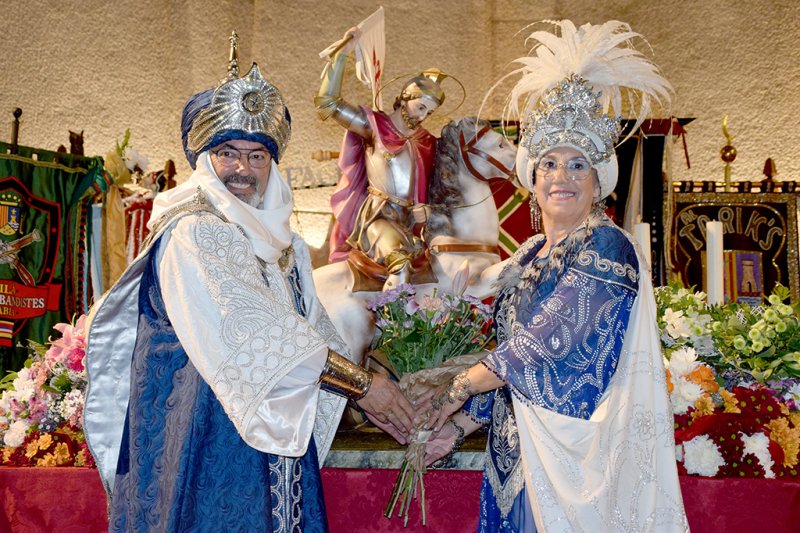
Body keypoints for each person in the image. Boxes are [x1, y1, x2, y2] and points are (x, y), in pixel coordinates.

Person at [84, 34, 416, 532]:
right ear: (205, 162)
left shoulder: (287, 246)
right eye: (228, 153)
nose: (243, 168)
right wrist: (363, 386)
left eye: (257, 155)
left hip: (274, 440)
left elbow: (316, 330)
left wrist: (377, 380)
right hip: (204, 443)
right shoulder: (195, 230)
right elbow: (253, 330)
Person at [421, 21, 689, 532]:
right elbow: (515, 366)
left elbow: (546, 343)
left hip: (578, 458)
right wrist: (459, 424)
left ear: (598, 182)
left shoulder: (608, 244)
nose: (561, 176)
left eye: (577, 164)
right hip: (517, 452)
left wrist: (458, 385)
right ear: (532, 179)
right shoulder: (525, 254)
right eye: (548, 163)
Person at [315, 29, 444, 291]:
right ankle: (394, 326)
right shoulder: (374, 126)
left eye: (429, 112)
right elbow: (328, 104)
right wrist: (342, 56)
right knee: (401, 264)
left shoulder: (427, 141)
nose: (422, 116)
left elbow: (435, 188)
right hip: (378, 218)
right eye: (421, 107)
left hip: (409, 225)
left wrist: (427, 210)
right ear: (405, 98)